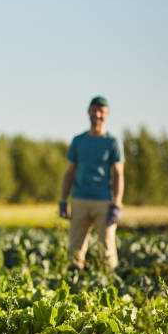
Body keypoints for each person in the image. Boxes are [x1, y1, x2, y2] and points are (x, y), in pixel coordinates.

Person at [59, 96, 124, 271]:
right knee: (75, 249)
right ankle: (74, 286)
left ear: (107, 114)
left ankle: (110, 282)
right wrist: (63, 200)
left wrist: (117, 204)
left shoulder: (112, 142)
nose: (97, 114)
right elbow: (70, 172)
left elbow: (118, 173)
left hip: (103, 201)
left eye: (101, 111)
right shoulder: (78, 141)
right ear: (88, 112)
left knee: (107, 248)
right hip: (80, 199)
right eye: (94, 110)